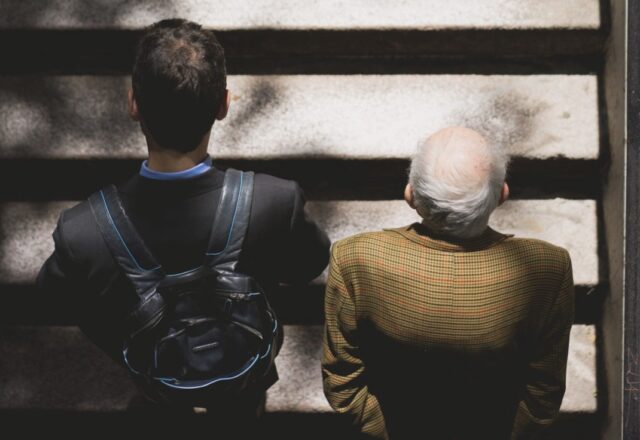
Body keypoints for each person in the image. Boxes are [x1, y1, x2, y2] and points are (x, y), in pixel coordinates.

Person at [38, 18, 330, 424]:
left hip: (153, 372)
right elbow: (311, 263)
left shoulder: (83, 230)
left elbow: (54, 297)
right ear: (224, 105)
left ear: (133, 105)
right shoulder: (274, 201)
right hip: (245, 366)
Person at [322, 127, 574, 439]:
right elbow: (543, 391)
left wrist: (382, 431)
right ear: (502, 195)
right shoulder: (548, 268)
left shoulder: (355, 258)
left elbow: (342, 380)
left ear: (410, 195)